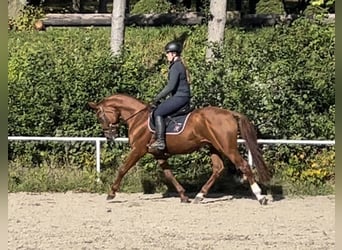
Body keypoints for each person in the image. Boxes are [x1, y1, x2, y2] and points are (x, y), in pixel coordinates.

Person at [149, 41, 191, 151]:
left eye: (167, 53)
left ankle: (160, 142)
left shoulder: (175, 67)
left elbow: (170, 87)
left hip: (180, 97)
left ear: (173, 54)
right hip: (181, 97)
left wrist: (157, 98)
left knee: (158, 112)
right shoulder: (179, 65)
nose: (166, 55)